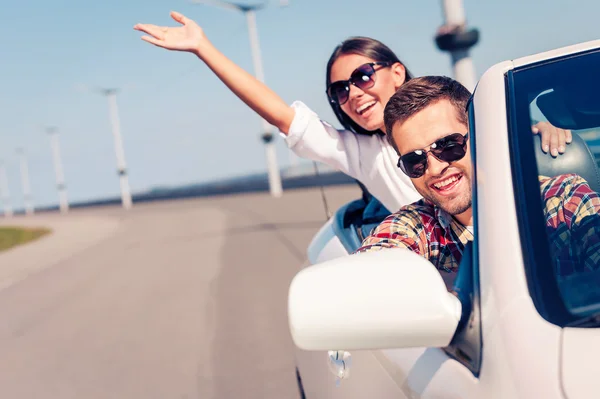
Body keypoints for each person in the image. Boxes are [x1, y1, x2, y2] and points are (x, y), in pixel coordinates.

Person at [133, 11, 570, 212]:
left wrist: (541, 127)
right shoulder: (359, 153)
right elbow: (281, 115)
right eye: (339, 90)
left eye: (363, 76)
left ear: (395, 72)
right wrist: (203, 48)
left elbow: (503, 125)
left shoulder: (455, 110)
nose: (353, 93)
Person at [356, 76, 600, 286]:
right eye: (414, 161)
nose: (435, 168)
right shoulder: (415, 225)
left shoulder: (562, 200)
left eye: (448, 145)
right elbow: (366, 275)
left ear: (480, 135)